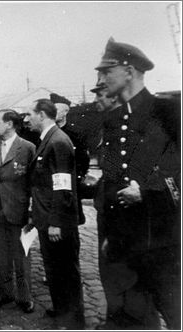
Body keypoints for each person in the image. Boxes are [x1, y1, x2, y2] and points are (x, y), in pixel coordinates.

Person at [93, 38, 180, 330]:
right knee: (137, 320)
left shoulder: (168, 111)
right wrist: (111, 234)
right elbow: (113, 179)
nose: (102, 79)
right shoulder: (114, 121)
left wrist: (147, 188)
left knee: (176, 313)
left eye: (108, 72)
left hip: (164, 242)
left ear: (129, 71)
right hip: (127, 244)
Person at [25, 99, 84, 329]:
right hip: (46, 217)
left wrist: (56, 222)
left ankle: (73, 321)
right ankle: (62, 309)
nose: (27, 119)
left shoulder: (58, 141)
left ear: (42, 115)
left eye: (30, 114)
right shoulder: (48, 140)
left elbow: (63, 186)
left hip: (56, 221)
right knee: (55, 270)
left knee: (66, 272)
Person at [0, 109, 35, 314]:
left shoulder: (28, 148)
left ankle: (24, 297)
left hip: (19, 212)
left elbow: (33, 183)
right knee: (0, 257)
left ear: (9, 124)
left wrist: (31, 211)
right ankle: (3, 294)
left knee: (22, 256)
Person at [50, 93, 90, 225]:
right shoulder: (46, 134)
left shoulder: (75, 134)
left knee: (70, 221)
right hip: (50, 185)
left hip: (70, 184)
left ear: (66, 111)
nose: (52, 113)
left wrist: (78, 176)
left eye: (56, 110)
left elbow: (83, 159)